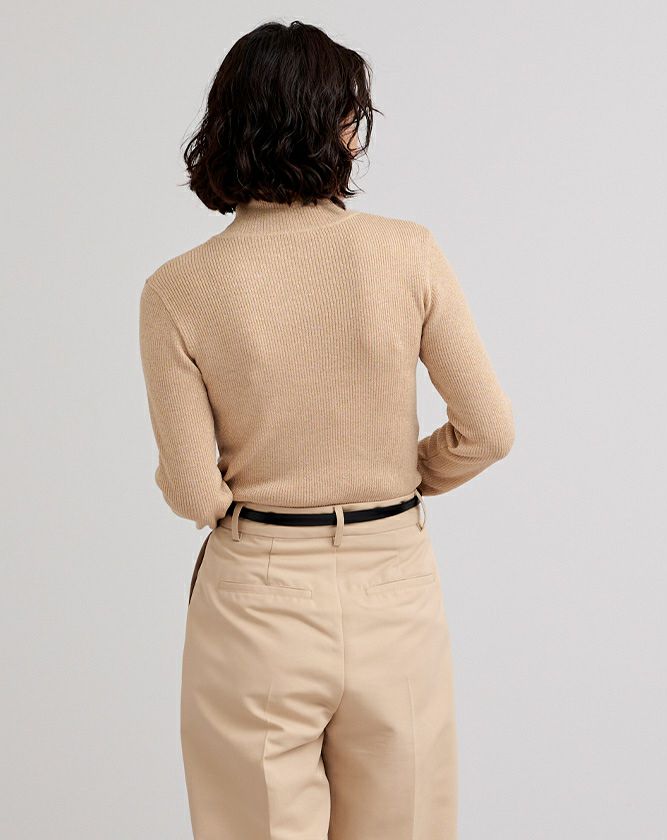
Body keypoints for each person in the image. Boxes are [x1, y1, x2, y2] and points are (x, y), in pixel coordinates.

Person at [138, 19, 515, 840]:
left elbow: (196, 492)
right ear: (339, 127)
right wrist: (400, 474)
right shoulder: (408, 253)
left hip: (257, 598)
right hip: (393, 583)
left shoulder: (177, 288)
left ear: (228, 124)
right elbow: (488, 430)